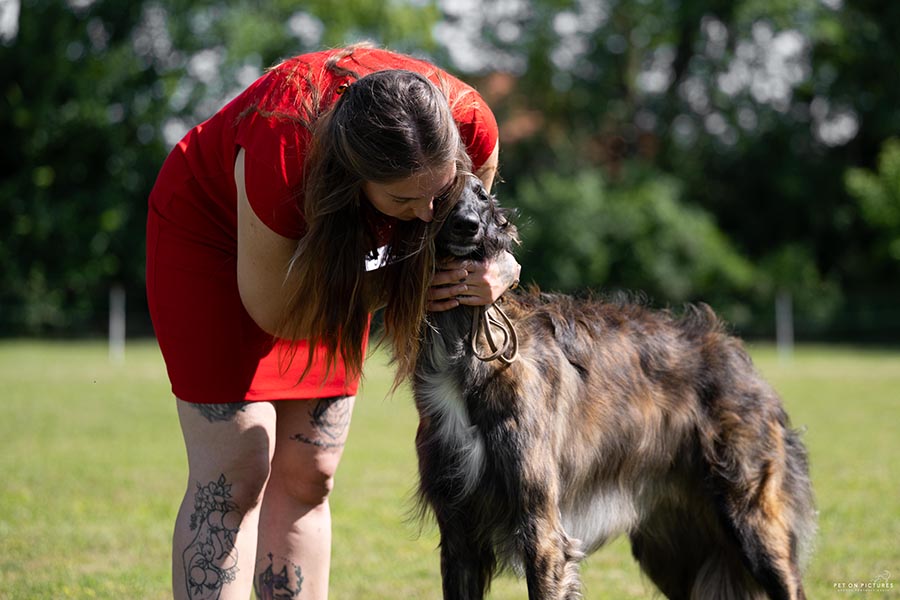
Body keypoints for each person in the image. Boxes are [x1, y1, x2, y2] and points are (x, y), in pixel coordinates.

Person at [145, 43, 520, 600]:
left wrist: (494, 268)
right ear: (355, 179)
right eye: (404, 199)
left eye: (438, 192)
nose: (426, 214)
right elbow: (279, 310)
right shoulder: (284, 143)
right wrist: (408, 281)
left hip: (343, 253)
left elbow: (473, 227)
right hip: (215, 241)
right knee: (235, 472)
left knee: (311, 471)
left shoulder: (470, 123)